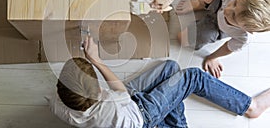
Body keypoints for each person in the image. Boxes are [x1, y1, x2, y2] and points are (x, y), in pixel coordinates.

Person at [56, 36, 270, 128]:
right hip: (140, 115)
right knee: (191, 76)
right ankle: (251, 106)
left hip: (125, 106)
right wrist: (95, 59)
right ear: (99, 92)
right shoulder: (112, 104)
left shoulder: (58, 107)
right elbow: (119, 91)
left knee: (170, 68)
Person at [151, 0, 270, 78]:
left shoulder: (244, 37)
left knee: (183, 39)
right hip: (220, 1)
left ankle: (204, 6)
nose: (228, 10)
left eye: (233, 16)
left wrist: (212, 57)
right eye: (235, 4)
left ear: (246, 29)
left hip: (219, 27)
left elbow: (228, 48)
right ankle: (199, 4)